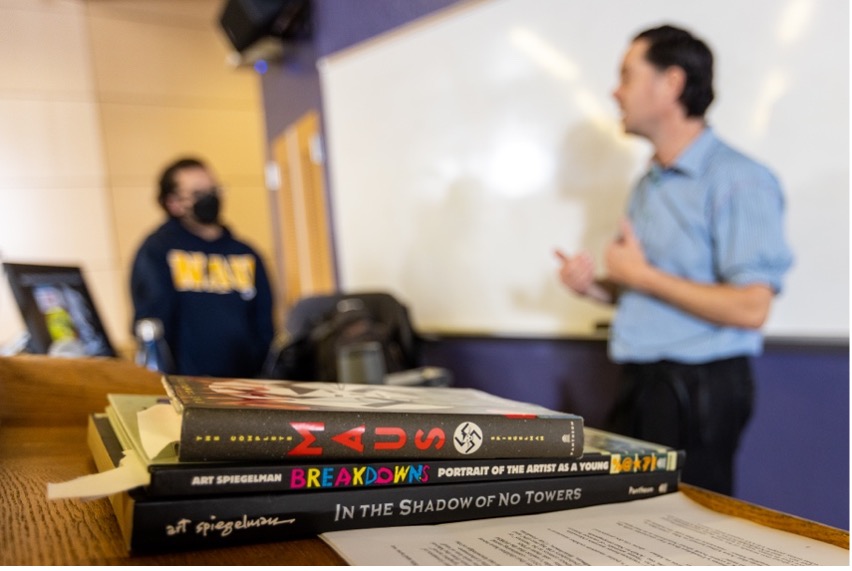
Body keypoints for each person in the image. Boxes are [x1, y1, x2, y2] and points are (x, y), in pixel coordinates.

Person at [555, 25, 793, 495]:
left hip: (699, 388)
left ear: (672, 84)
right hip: (642, 380)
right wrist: (597, 287)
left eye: (626, 75)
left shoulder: (740, 180)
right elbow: (649, 288)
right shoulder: (650, 183)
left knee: (687, 538)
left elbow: (751, 307)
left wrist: (641, 274)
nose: (614, 91)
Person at [130, 157, 275, 378]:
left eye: (214, 189)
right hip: (184, 386)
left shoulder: (244, 253)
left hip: (246, 385)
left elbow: (264, 322)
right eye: (198, 194)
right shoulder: (157, 251)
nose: (210, 198)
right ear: (173, 203)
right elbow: (152, 321)